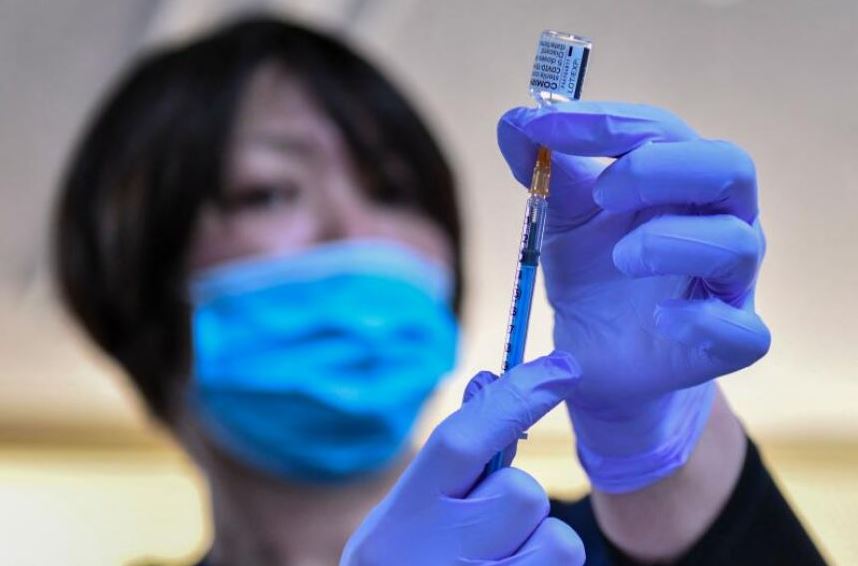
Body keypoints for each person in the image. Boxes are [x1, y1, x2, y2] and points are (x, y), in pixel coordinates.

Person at [53, 15, 825, 566]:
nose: (357, 231)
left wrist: (663, 456)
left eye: (392, 190)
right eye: (270, 192)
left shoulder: (568, 553)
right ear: (130, 273)